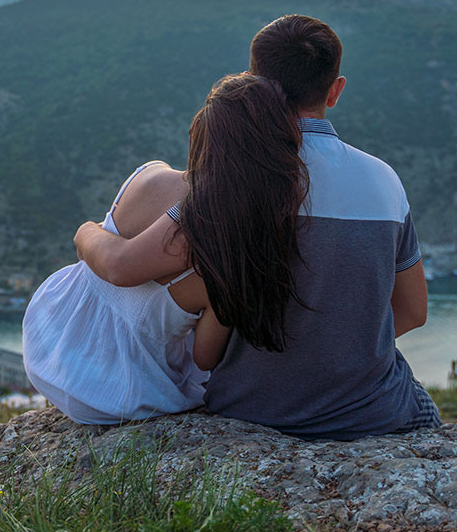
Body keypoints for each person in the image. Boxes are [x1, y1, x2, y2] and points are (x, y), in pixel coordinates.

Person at [74, 15, 439, 440]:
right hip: (373, 414)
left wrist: (84, 231)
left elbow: (123, 268)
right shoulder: (385, 182)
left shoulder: (231, 185)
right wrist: (337, 341)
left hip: (250, 411)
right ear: (335, 90)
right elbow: (413, 311)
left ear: (252, 83)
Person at [24, 73, 305, 425]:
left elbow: (112, 263)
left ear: (202, 131)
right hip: (124, 394)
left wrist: (85, 231)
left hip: (53, 344)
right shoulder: (235, 259)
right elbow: (204, 358)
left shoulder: (151, 177)